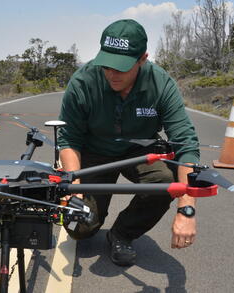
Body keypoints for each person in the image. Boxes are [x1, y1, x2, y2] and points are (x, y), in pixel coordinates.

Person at [57, 19, 200, 267]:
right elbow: (68, 139)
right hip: (94, 153)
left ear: (142, 59)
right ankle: (90, 218)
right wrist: (74, 186)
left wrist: (186, 208)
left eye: (121, 68)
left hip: (139, 150)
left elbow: (185, 143)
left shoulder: (160, 84)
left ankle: (122, 234)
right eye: (107, 65)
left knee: (164, 183)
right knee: (79, 227)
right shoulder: (83, 82)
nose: (112, 74)